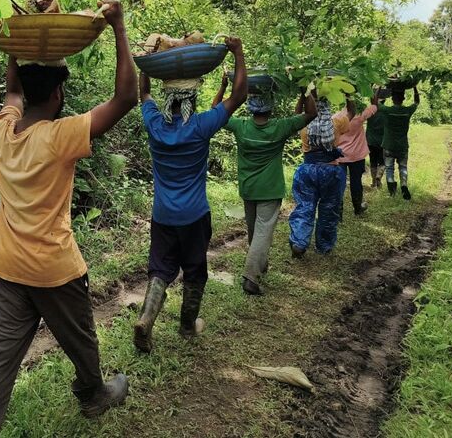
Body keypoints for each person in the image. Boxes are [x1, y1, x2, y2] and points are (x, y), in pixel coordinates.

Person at [0, 0, 137, 437]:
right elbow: (126, 98)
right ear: (58, 94)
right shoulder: (59, 136)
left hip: (6, 267)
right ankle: (94, 393)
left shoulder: (1, 131)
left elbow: (12, 93)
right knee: (80, 338)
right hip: (53, 268)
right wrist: (119, 27)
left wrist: (15, 40)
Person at [133, 36, 247, 354]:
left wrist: (146, 65)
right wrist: (238, 52)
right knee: (194, 269)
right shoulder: (201, 126)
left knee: (160, 269)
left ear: (167, 98)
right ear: (192, 99)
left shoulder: (155, 124)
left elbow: (144, 94)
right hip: (194, 214)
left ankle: (146, 318)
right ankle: (187, 326)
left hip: (163, 215)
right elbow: (239, 95)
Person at [215, 83, 317, 296]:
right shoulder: (280, 127)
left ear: (250, 108)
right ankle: (251, 277)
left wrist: (224, 86)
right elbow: (311, 114)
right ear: (271, 108)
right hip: (270, 189)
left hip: (248, 188)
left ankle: (260, 265)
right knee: (262, 233)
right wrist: (304, 89)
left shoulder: (241, 126)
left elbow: (215, 111)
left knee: (254, 230)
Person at [288, 94, 350, 258]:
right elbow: (351, 112)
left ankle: (299, 243)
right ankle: (324, 246)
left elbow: (296, 115)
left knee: (304, 207)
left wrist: (303, 95)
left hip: (307, 171)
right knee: (329, 209)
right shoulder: (336, 123)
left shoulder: (304, 124)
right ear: (327, 106)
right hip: (331, 172)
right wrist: (349, 95)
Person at [334, 93, 379, 215]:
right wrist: (374, 90)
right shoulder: (360, 115)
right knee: (356, 182)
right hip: (357, 155)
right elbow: (375, 106)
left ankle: (338, 212)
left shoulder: (337, 117)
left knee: (339, 183)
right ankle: (358, 208)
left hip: (340, 156)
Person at [381, 86, 420, 200]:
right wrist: (415, 88)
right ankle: (404, 186)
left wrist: (378, 88)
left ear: (392, 99)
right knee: (403, 167)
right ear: (403, 99)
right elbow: (416, 102)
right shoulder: (407, 111)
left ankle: (392, 192)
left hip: (388, 145)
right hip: (402, 145)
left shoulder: (387, 111)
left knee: (389, 168)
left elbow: (374, 102)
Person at [366, 92, 387, 188]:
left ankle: (374, 182)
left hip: (370, 141)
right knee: (382, 162)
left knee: (373, 161)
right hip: (382, 141)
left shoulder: (369, 111)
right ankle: (379, 176)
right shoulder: (386, 111)